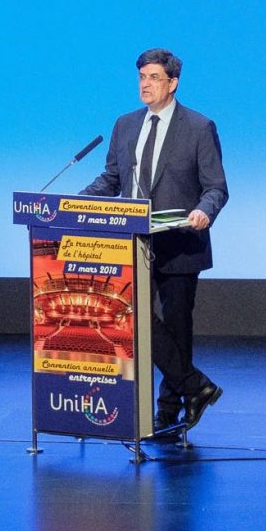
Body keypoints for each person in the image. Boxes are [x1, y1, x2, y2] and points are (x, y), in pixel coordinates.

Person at [83, 47, 229, 433]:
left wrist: (204, 211)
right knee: (132, 320)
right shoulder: (125, 124)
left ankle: (169, 411)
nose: (145, 85)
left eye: (153, 78)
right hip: (133, 244)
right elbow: (112, 180)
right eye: (141, 78)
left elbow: (216, 188)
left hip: (181, 242)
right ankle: (195, 386)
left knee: (177, 329)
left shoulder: (199, 127)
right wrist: (78, 202)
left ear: (173, 83)